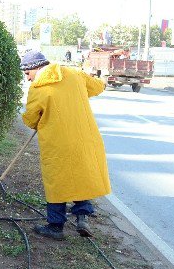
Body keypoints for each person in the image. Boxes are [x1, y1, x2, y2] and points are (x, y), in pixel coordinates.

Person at [20, 50, 111, 240]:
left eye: (27, 74)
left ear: (36, 68)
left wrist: (39, 119)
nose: (28, 79)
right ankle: (82, 216)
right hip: (84, 139)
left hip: (57, 143)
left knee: (57, 182)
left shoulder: (38, 88)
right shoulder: (74, 74)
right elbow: (96, 87)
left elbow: (30, 119)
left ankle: (55, 227)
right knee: (80, 176)